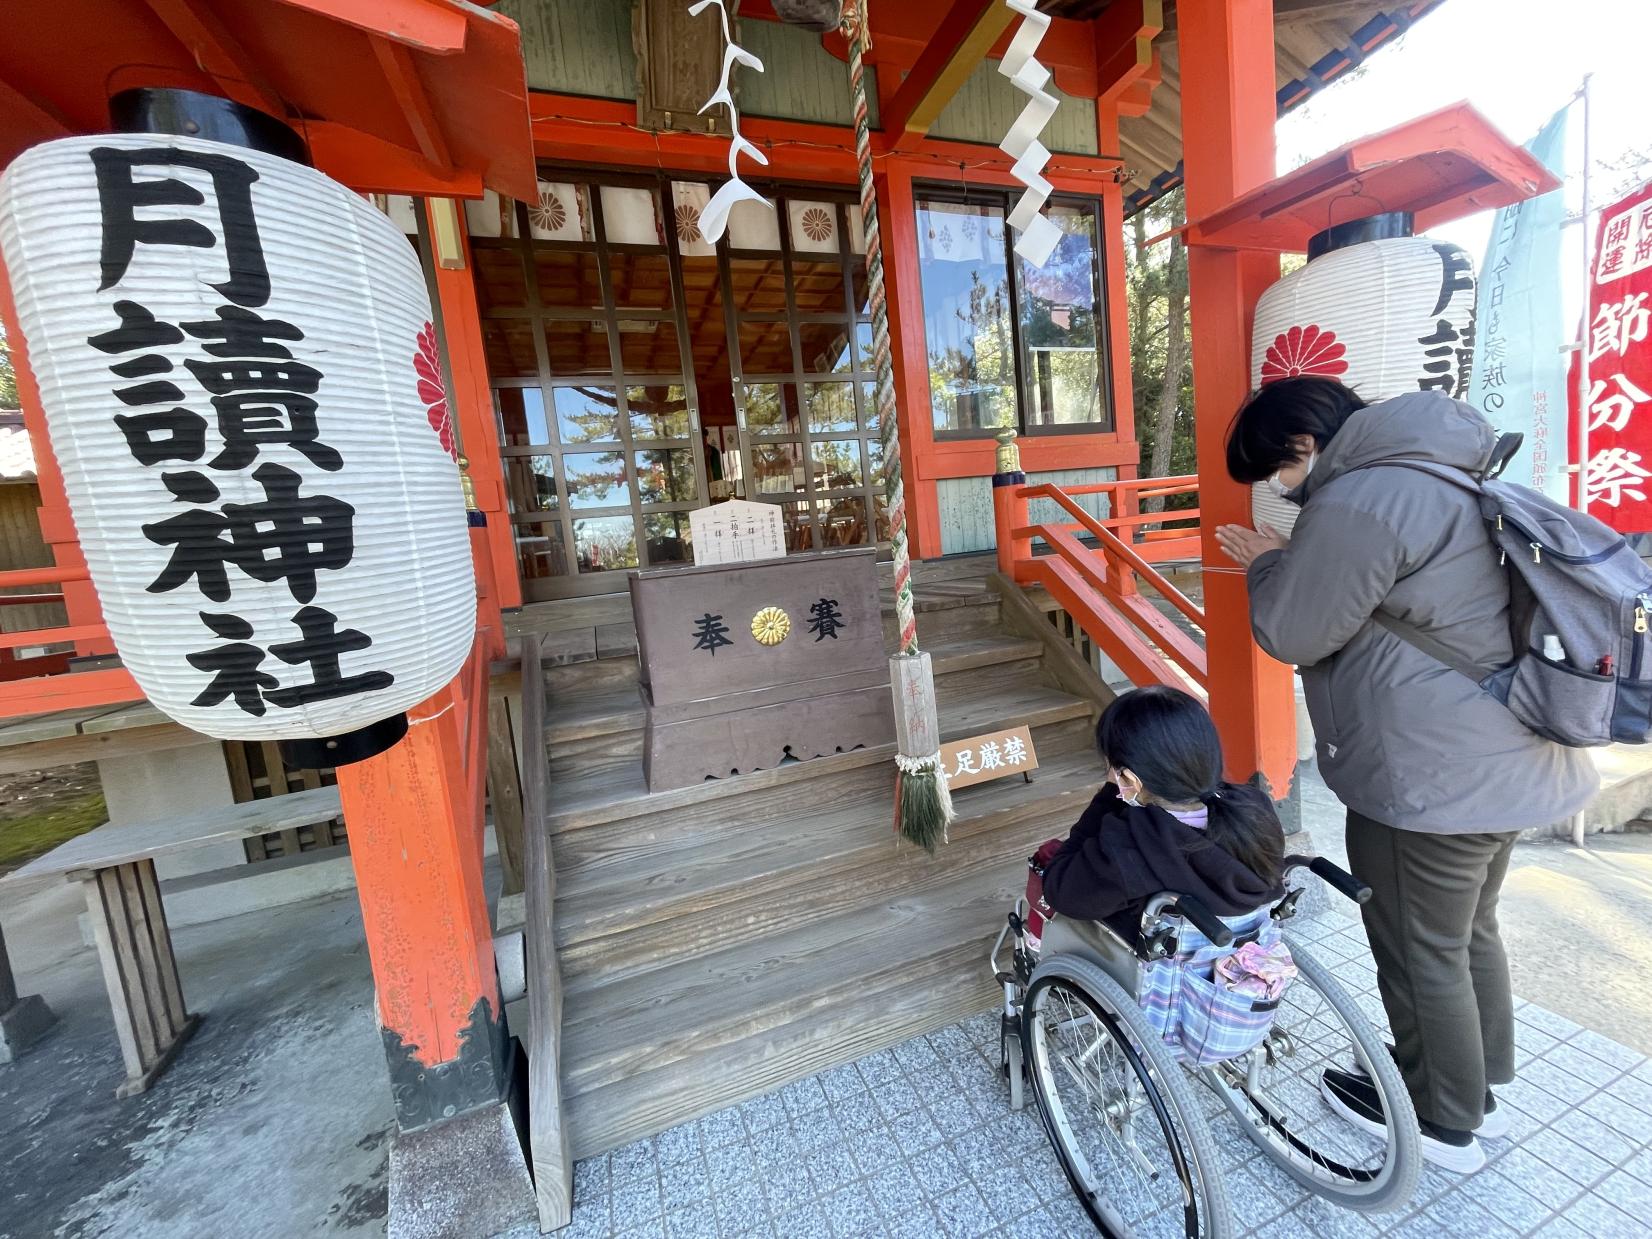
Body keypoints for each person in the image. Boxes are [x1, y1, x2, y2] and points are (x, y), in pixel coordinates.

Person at [1215, 376, 1598, 1173]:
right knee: (1464, 932)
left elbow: (1294, 628)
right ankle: (1475, 1079)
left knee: (1419, 945)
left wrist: (1267, 567)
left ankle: (1441, 1121)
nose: (1280, 491)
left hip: (1431, 777)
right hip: (1506, 758)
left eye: (1274, 473)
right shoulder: (1443, 467)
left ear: (1302, 446)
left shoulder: (1360, 498)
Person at [1032, 685, 1286, 942]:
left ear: (1129, 778)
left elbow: (1060, 891)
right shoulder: (1254, 805)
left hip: (1158, 966)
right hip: (1239, 945)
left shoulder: (1127, 849)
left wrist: (1110, 794)